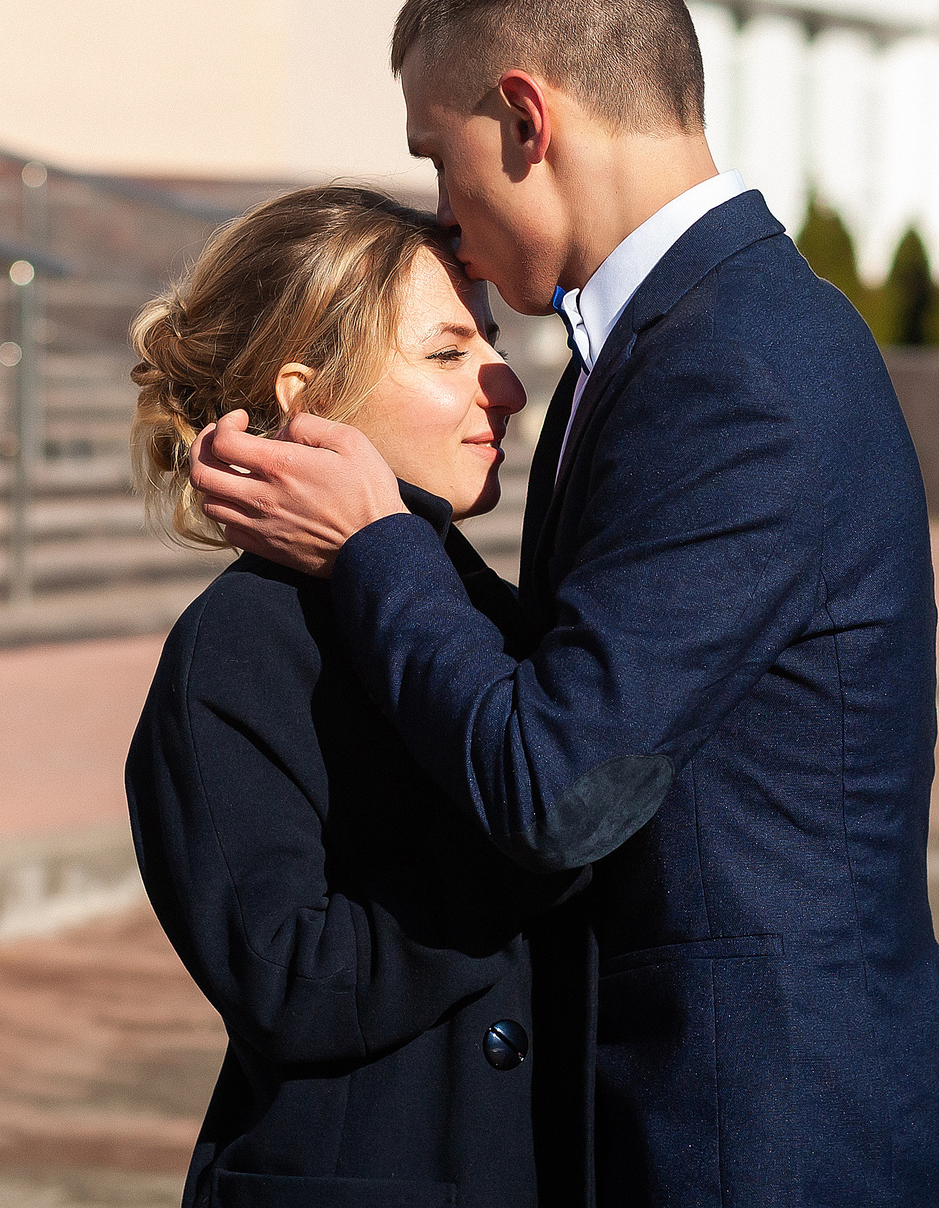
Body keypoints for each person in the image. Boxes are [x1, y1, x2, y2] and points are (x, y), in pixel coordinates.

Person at [188, 0, 939, 1204]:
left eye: (437, 157)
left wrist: (375, 540)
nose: (444, 219)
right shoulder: (680, 339)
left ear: (525, 118)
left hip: (766, 1129)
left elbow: (561, 779)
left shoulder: (736, 364)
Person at [124, 185, 592, 1208]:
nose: (504, 385)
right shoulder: (240, 649)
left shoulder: (491, 614)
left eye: (492, 344)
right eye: (446, 353)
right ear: (309, 397)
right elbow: (292, 980)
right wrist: (550, 823)